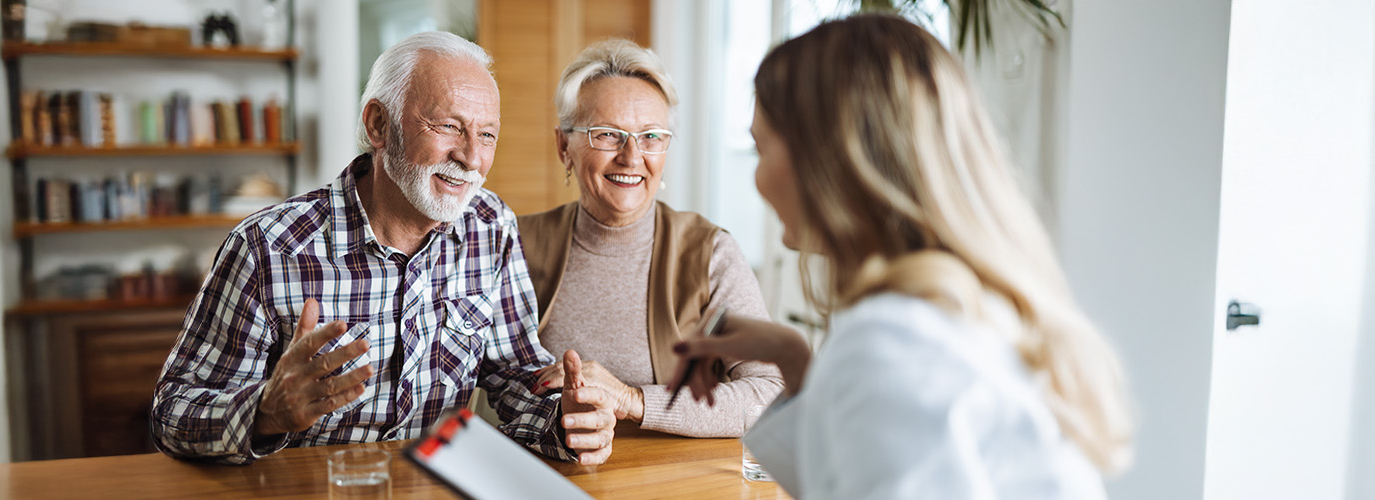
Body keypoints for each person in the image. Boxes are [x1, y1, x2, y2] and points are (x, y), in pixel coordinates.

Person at [670, 15, 1134, 498]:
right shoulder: (955, 309)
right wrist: (796, 360)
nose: (758, 178)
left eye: (760, 147)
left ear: (828, 158)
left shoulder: (893, 343)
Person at [150, 31, 617, 465]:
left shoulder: (489, 226)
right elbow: (172, 412)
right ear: (379, 124)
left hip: (434, 483)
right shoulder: (267, 248)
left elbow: (517, 378)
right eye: (449, 127)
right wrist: (266, 412)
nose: (472, 158)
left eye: (487, 134)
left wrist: (566, 417)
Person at [520, 39, 783, 437]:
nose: (631, 156)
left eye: (651, 137)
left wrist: (631, 400)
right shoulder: (513, 244)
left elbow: (772, 394)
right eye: (607, 134)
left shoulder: (711, 253)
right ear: (563, 146)